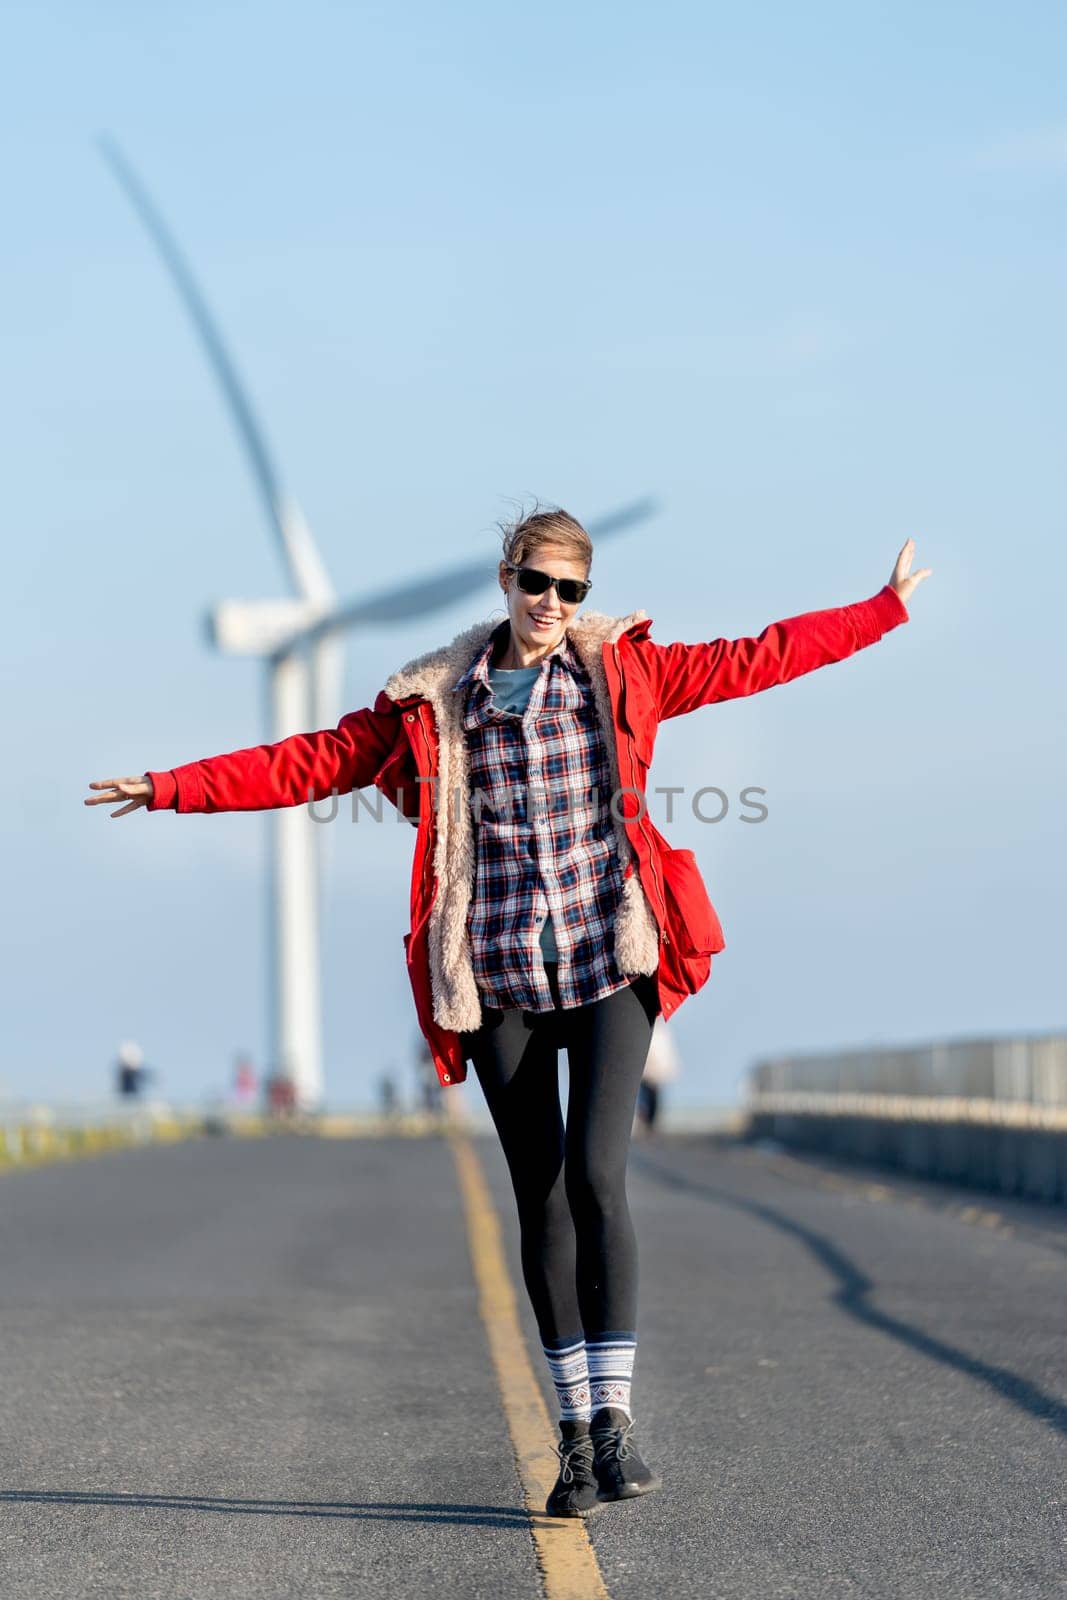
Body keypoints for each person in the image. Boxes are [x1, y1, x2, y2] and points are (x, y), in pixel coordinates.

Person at [85, 504, 930, 1517]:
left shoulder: (624, 671)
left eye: (571, 589)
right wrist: (172, 787)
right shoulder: (432, 705)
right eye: (537, 583)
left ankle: (614, 1424)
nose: (551, 605)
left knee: (596, 1176)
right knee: (538, 1193)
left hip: (607, 954)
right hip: (494, 978)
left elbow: (762, 656)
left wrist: (879, 610)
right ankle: (571, 1436)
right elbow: (307, 761)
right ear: (504, 577)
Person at [635, 1015, 681, 1134]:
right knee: (647, 1096)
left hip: (653, 1069)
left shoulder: (660, 1029)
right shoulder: (659, 1028)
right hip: (650, 1069)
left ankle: (650, 1123)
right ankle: (648, 1123)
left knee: (650, 1096)